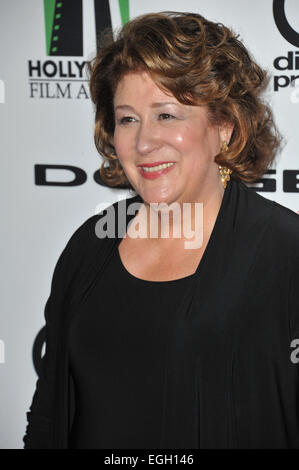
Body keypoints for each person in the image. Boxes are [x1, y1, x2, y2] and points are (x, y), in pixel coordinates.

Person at [23, 11, 299, 449]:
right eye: (128, 119)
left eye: (167, 115)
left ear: (224, 126)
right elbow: (48, 414)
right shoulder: (91, 243)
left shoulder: (286, 255)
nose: (144, 142)